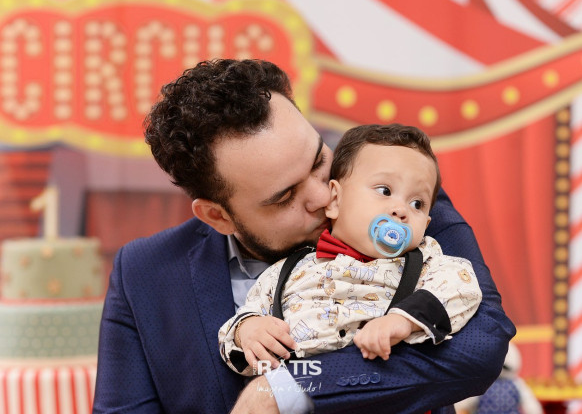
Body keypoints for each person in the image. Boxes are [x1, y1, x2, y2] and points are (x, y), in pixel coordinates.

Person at [93, 59, 516, 414]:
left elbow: (481, 346)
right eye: (284, 197)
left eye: (318, 161)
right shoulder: (145, 273)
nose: (322, 195)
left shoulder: (399, 202)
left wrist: (287, 388)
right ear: (217, 216)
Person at [219, 124, 482, 376]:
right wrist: (247, 331)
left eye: (417, 204)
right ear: (335, 199)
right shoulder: (287, 270)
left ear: (426, 224)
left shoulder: (423, 263)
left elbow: (463, 287)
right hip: (299, 384)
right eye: (385, 190)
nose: (401, 210)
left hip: (380, 385)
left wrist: (404, 320)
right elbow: (242, 322)